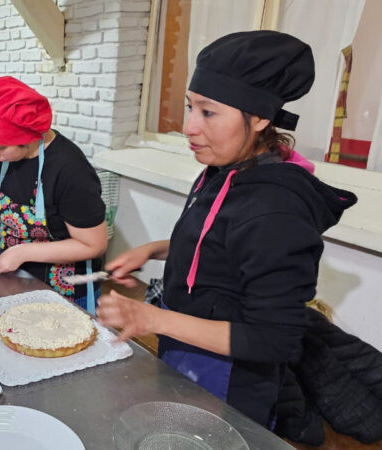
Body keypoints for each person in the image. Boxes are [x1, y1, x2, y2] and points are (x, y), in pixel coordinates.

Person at [95, 30, 357, 428]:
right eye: (190, 108)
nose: (188, 127)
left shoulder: (277, 209)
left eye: (208, 112)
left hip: (231, 387)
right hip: (184, 352)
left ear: (260, 117)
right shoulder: (224, 170)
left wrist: (153, 320)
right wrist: (154, 248)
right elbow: (220, 242)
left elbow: (274, 339)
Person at [0, 76, 108, 311]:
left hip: (63, 290)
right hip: (11, 278)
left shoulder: (70, 169)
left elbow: (93, 244)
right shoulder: (0, 153)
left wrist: (23, 252)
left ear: (28, 137)